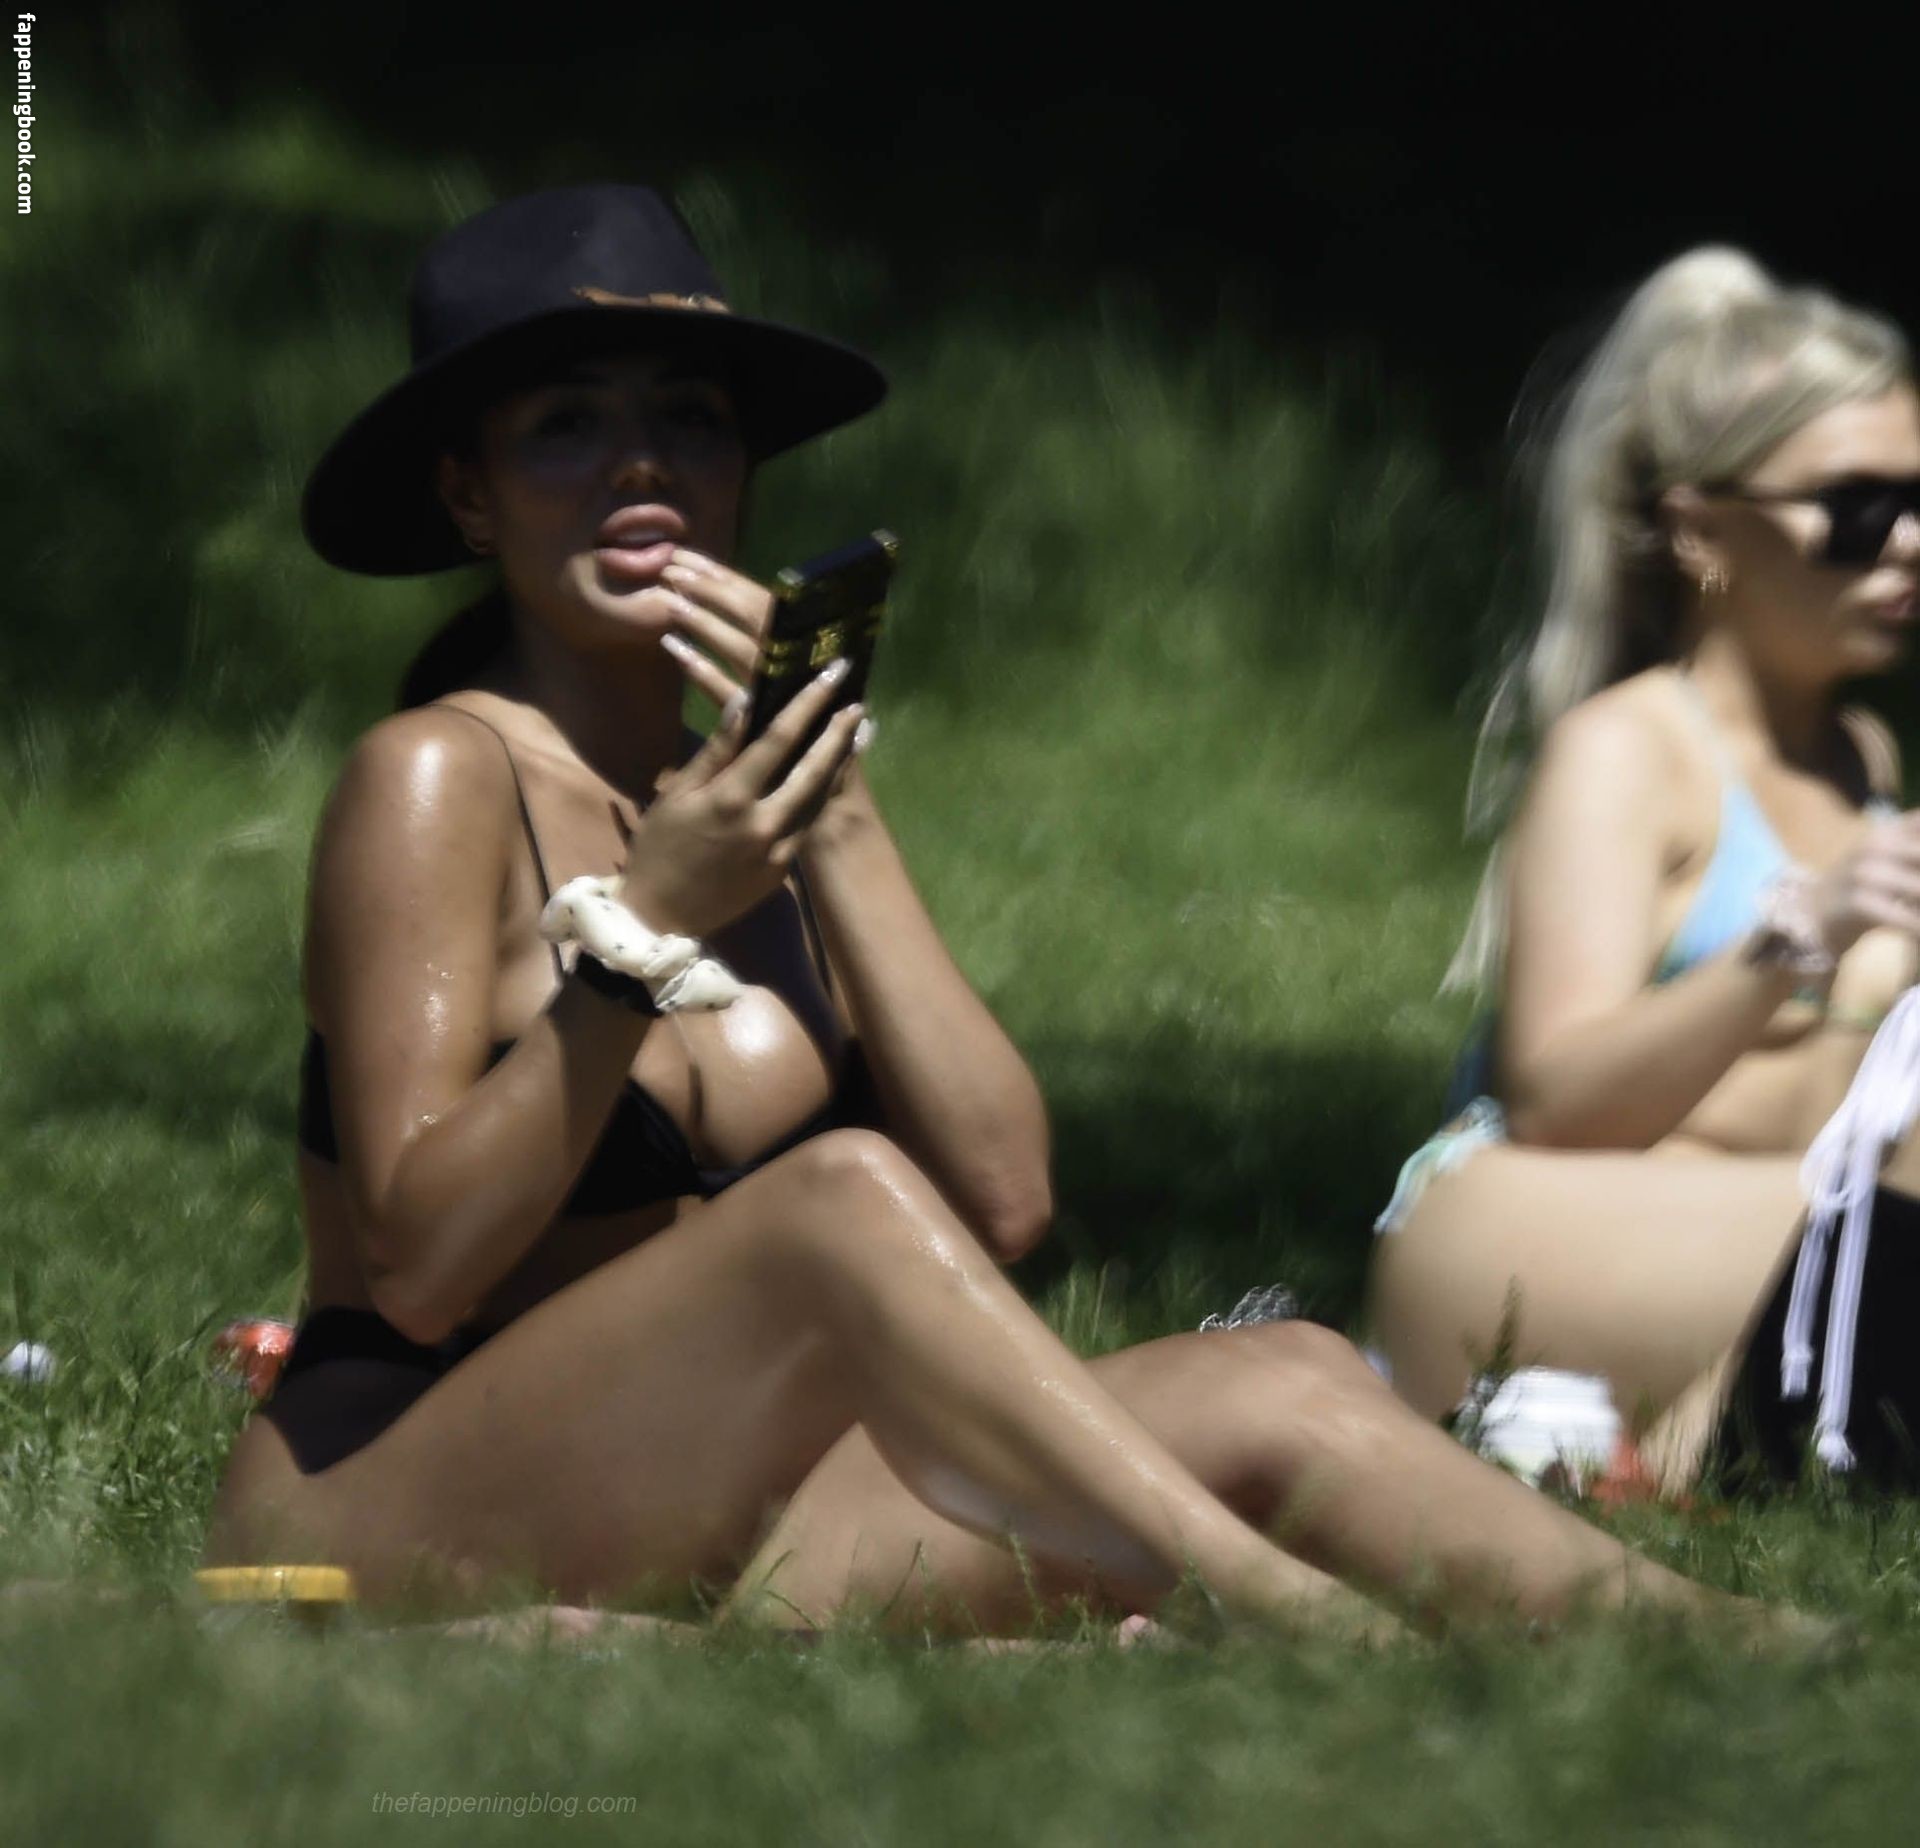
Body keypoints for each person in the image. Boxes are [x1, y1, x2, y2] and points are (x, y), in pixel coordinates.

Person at [203, 186, 1743, 1637]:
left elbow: (1003, 1203)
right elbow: (417, 1267)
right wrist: (642, 928)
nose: (641, 465)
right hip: (388, 1507)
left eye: (690, 418)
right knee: (835, 1196)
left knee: (1285, 1366)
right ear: (467, 493)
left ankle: (1736, 1650)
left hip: (725, 1498)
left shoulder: (749, 801)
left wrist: (836, 815)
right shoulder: (436, 775)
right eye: (567, 423)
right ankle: (1295, 1623)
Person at [1367, 247, 1920, 1486]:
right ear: (1702, 531)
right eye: (1857, 508)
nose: (1907, 543)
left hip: (1762, 1232)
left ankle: (1690, 1441)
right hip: (1530, 1223)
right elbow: (1557, 1104)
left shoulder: (1860, 758)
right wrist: (1800, 935)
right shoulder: (1626, 753)